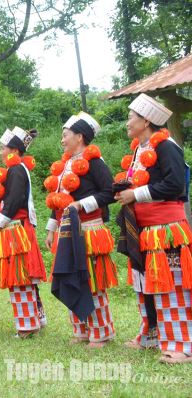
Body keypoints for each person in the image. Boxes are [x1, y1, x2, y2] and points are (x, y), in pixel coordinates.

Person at [115, 94, 192, 363]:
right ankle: (151, 336)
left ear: (146, 120)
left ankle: (182, 346)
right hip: (144, 229)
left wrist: (135, 195)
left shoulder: (167, 146)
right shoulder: (139, 148)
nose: (127, 122)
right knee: (145, 285)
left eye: (130, 117)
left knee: (171, 286)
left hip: (166, 228)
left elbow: (175, 186)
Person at [44, 113, 118, 348]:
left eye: (65, 135)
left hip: (89, 230)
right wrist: (51, 228)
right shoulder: (64, 164)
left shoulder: (94, 161)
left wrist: (80, 204)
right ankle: (81, 329)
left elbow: (110, 192)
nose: (62, 140)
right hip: (66, 232)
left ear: (79, 136)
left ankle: (101, 332)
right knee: (71, 277)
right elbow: (58, 199)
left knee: (91, 280)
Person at [0, 127, 47, 338]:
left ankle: (26, 326)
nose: (0, 152)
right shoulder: (18, 169)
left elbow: (13, 201)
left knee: (19, 277)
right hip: (19, 227)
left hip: (16, 230)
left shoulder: (15, 170)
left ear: (13, 150)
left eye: (3, 148)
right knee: (24, 278)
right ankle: (35, 320)